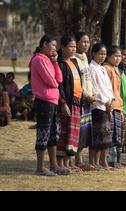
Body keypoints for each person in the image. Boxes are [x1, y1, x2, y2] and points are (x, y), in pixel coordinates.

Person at [30, 35, 68, 176]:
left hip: (52, 101)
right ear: (44, 45)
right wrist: (55, 81)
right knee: (43, 134)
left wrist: (55, 63)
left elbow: (59, 79)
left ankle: (54, 165)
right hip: (44, 102)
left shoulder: (49, 60)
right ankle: (40, 167)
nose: (54, 49)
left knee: (53, 134)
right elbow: (51, 81)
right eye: (52, 45)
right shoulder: (39, 59)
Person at [56, 34, 83, 173]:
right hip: (67, 103)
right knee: (64, 134)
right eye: (70, 47)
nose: (73, 49)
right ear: (62, 47)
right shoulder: (60, 64)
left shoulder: (75, 62)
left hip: (77, 102)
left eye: (74, 47)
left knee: (73, 134)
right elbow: (59, 86)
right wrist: (63, 103)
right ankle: (60, 164)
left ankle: (68, 163)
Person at [89, 43, 115, 170]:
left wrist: (111, 102)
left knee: (106, 136)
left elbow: (108, 88)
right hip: (98, 106)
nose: (102, 56)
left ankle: (102, 162)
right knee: (98, 136)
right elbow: (95, 89)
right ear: (93, 53)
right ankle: (93, 162)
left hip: (107, 106)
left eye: (104, 54)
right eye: (100, 53)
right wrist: (105, 101)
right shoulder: (91, 68)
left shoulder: (103, 69)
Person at [73, 32, 95, 171]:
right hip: (80, 99)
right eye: (83, 42)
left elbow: (88, 79)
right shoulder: (74, 59)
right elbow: (77, 82)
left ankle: (79, 160)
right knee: (77, 131)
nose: (86, 45)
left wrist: (92, 94)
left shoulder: (85, 58)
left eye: (88, 42)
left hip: (88, 101)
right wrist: (86, 95)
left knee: (84, 131)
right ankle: (75, 161)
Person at [104, 46, 124, 168]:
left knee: (117, 135)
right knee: (110, 135)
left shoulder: (116, 69)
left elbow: (117, 91)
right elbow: (107, 89)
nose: (118, 59)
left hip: (118, 105)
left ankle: (115, 160)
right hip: (110, 105)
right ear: (109, 56)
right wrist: (110, 106)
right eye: (115, 56)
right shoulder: (106, 69)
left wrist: (120, 108)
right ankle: (109, 161)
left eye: (119, 56)